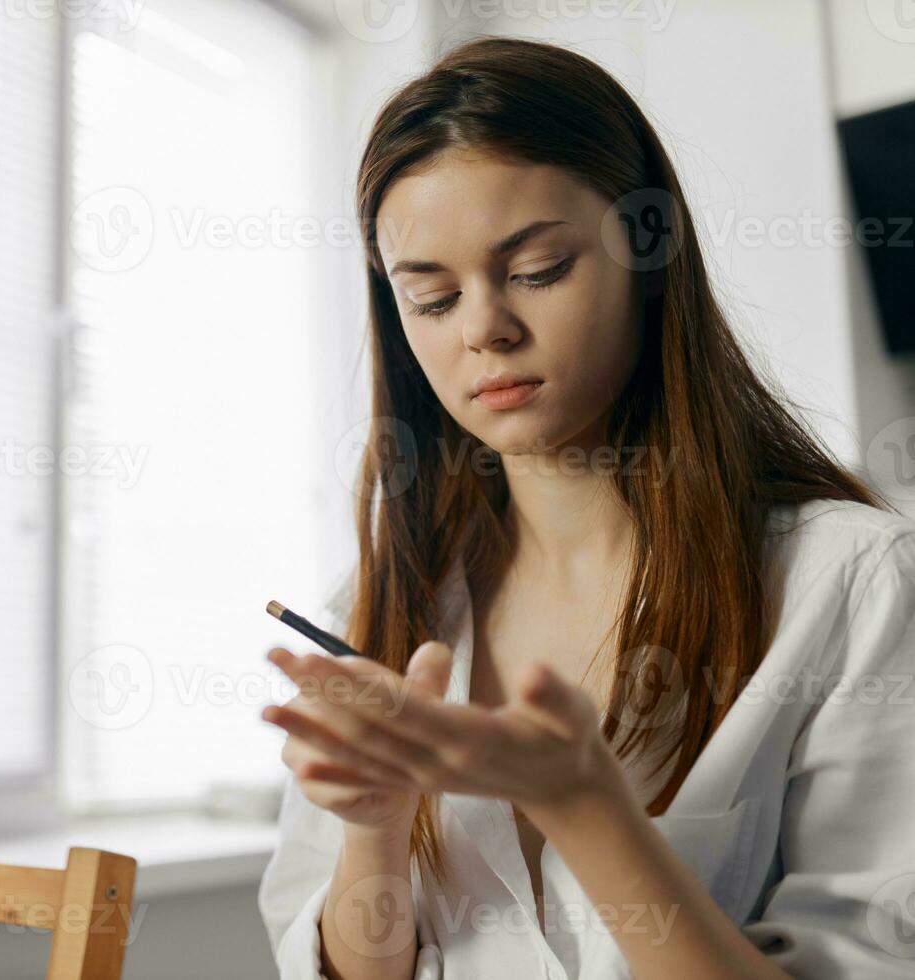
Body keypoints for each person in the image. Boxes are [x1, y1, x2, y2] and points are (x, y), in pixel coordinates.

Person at [257, 35, 915, 980]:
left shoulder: (851, 584)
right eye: (433, 298)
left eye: (537, 271)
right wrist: (375, 829)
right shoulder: (386, 598)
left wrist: (587, 810)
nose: (485, 327)